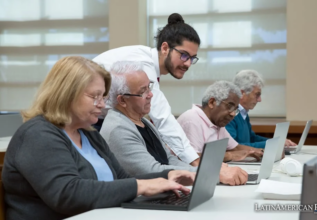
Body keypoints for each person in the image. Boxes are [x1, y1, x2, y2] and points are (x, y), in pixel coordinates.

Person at [1, 56, 195, 220]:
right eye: (95, 97)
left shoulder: (88, 134)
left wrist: (165, 176)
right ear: (66, 94)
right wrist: (141, 186)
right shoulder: (37, 135)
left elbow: (122, 180)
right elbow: (68, 195)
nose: (102, 105)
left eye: (103, 97)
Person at [100, 61, 248, 186]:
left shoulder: (143, 121)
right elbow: (152, 170)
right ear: (122, 100)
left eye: (149, 87)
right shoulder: (118, 129)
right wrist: (211, 174)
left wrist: (208, 170)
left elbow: (169, 159)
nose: (151, 95)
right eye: (143, 91)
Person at [93, 13, 201, 166]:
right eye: (184, 55)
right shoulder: (142, 64)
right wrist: (196, 162)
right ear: (165, 48)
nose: (188, 64)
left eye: (192, 58)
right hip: (89, 123)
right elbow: (163, 118)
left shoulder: (147, 60)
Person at [177, 81, 265, 162]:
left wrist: (259, 152)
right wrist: (229, 156)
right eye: (230, 106)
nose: (233, 114)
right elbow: (194, 160)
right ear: (211, 102)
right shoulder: (192, 120)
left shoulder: (217, 122)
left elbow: (235, 147)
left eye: (235, 109)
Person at [226, 70, 296, 148]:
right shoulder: (229, 115)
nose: (259, 100)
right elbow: (235, 147)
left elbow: (252, 138)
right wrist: (274, 144)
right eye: (257, 95)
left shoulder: (243, 112)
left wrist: (276, 141)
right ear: (242, 93)